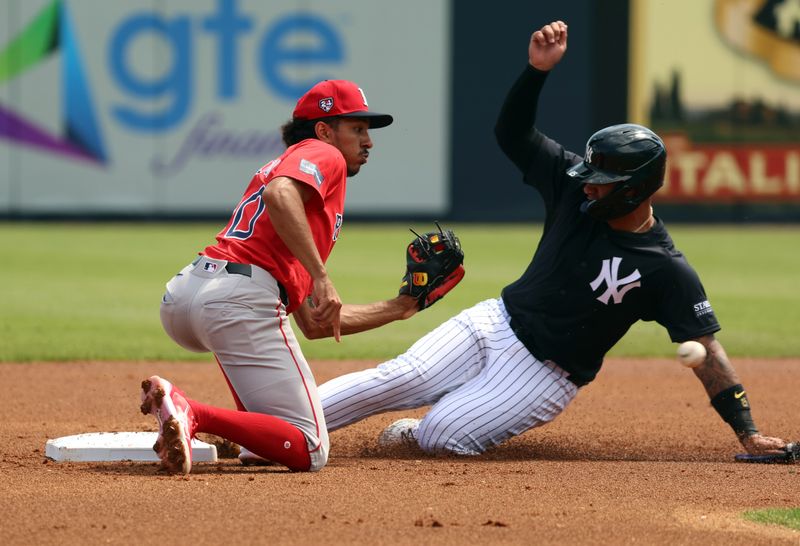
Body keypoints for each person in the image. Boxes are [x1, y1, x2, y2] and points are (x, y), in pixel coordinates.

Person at [317, 21, 787, 458]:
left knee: (443, 435)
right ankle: (274, 427)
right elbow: (512, 133)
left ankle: (422, 430)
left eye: (601, 179)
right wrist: (536, 73)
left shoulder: (665, 268)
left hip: (545, 373)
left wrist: (747, 431)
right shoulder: (572, 186)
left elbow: (706, 350)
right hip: (495, 322)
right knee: (395, 378)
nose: (588, 184)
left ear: (636, 188)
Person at [141, 79, 427, 474]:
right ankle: (193, 413)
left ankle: (256, 438)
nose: (368, 141)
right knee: (310, 449)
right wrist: (321, 275)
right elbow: (280, 195)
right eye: (357, 128)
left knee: (279, 438)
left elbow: (314, 322)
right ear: (325, 130)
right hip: (236, 300)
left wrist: (402, 307)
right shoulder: (322, 154)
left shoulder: (298, 183)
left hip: (193, 293)